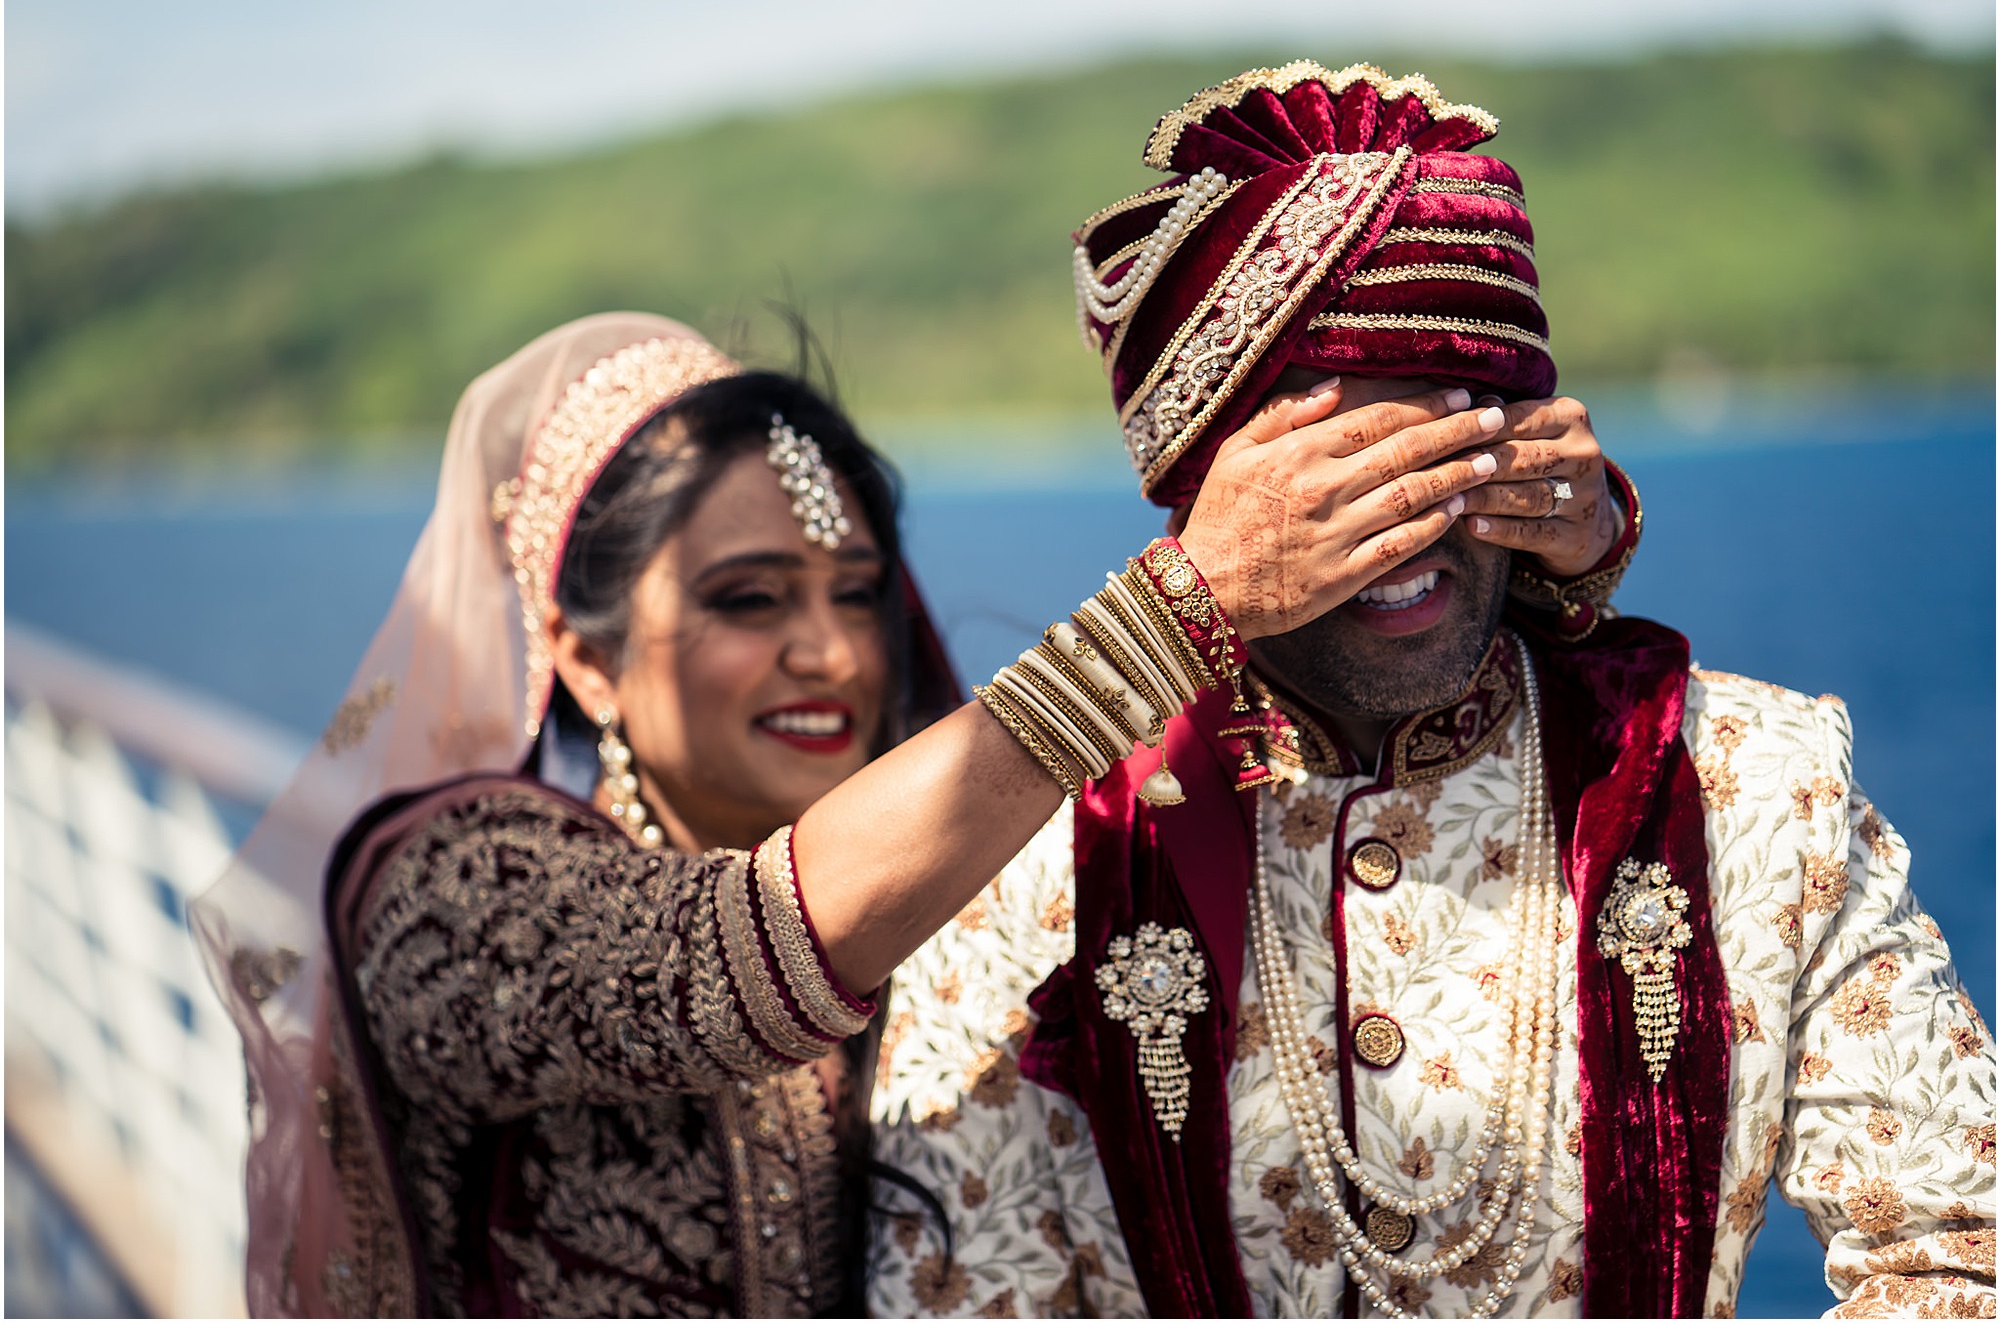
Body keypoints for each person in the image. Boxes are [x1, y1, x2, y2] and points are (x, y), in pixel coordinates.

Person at [866, 63, 1996, 1318]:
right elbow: (952, 1289)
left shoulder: (1748, 786)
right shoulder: (1033, 857)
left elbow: (1958, 1246)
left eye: (1454, 449)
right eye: (1339, 479)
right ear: (1206, 509)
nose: (1403, 530)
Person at [193, 307, 1509, 1316]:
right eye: (750, 600)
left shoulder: (947, 891)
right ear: (582, 656)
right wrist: (1180, 606)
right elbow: (720, 960)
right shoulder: (456, 890)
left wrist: (1532, 561)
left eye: (857, 591)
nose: (829, 653)